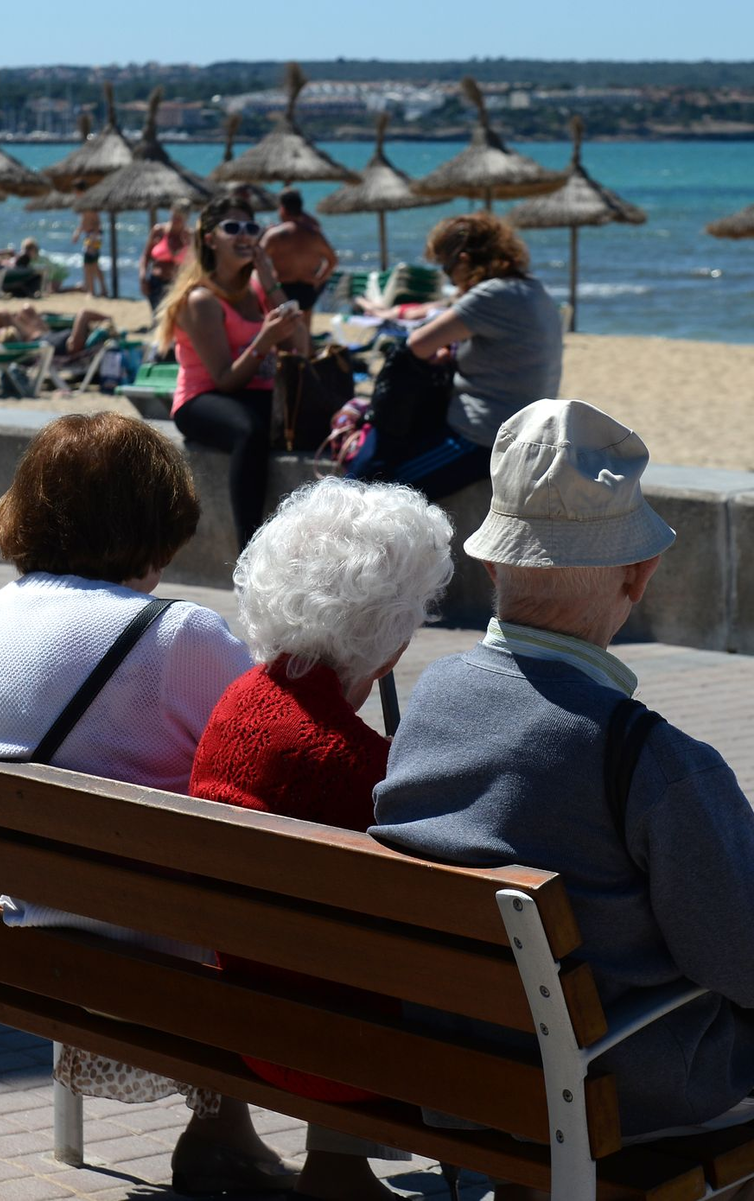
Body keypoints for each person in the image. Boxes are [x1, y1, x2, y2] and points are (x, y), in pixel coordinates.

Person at [371, 399, 754, 1201]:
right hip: (618, 1088)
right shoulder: (651, 759)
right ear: (639, 573)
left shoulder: (437, 697)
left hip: (468, 1067)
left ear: (494, 565)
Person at [0, 412, 298, 1196]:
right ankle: (312, 1143)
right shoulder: (181, 635)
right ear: (156, 515)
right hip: (148, 937)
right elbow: (275, 770)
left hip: (23, 919)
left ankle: (227, 1130)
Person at [190, 475, 453, 1201]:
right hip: (337, 1055)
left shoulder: (235, 704)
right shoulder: (362, 770)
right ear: (393, 641)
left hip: (239, 1015)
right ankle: (339, 1167)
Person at [347, 212, 563, 503]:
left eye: (446, 269)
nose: (448, 279)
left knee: (378, 496)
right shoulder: (532, 289)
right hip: (524, 431)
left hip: (482, 437)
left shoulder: (491, 295)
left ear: (463, 260)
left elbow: (417, 345)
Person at [155, 194, 308, 549]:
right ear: (210, 238)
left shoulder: (257, 290)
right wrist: (265, 338)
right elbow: (224, 378)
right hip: (203, 398)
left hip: (253, 393)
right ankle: (249, 549)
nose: (244, 235)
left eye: (251, 228)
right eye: (232, 228)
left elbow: (302, 346)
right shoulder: (200, 300)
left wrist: (270, 281)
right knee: (250, 432)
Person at [259, 188, 338, 330]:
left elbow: (257, 259)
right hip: (307, 288)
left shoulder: (274, 234)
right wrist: (319, 279)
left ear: (282, 209)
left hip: (282, 288)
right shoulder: (314, 234)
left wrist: (268, 281)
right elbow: (332, 260)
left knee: (281, 332)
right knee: (305, 332)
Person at [140, 198, 191, 320]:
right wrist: (142, 277)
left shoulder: (189, 236)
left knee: (174, 320)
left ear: (186, 218)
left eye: (179, 217)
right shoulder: (159, 231)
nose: (175, 220)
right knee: (158, 319)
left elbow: (194, 264)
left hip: (177, 284)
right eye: (174, 215)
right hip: (156, 282)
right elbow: (146, 256)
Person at [71, 179, 107, 297]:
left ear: (79, 190)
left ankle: (91, 291)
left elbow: (96, 221)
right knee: (95, 264)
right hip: (91, 234)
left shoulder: (88, 202)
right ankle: (102, 290)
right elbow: (84, 221)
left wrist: (94, 237)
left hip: (93, 234)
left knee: (88, 262)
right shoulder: (84, 202)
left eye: (75, 190)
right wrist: (77, 233)